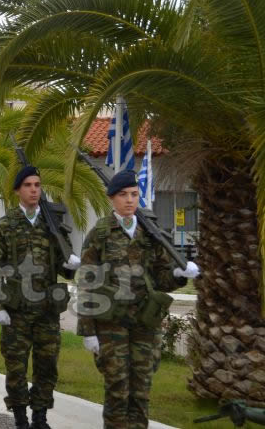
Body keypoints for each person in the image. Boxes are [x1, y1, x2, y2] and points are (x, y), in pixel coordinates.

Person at [77, 169, 200, 429]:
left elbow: (161, 279)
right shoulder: (99, 234)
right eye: (123, 195)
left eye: (134, 194)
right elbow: (87, 284)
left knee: (142, 389)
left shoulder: (150, 232)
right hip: (111, 325)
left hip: (145, 322)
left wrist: (179, 274)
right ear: (112, 199)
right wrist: (88, 331)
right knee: (117, 389)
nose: (130, 200)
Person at [0, 165, 81, 429]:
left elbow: (63, 268)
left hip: (47, 311)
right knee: (16, 368)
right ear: (17, 191)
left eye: (37, 185)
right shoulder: (5, 225)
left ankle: (40, 417)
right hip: (17, 312)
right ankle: (20, 418)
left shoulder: (52, 225)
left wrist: (70, 264)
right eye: (28, 185)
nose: (34, 190)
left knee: (47, 366)